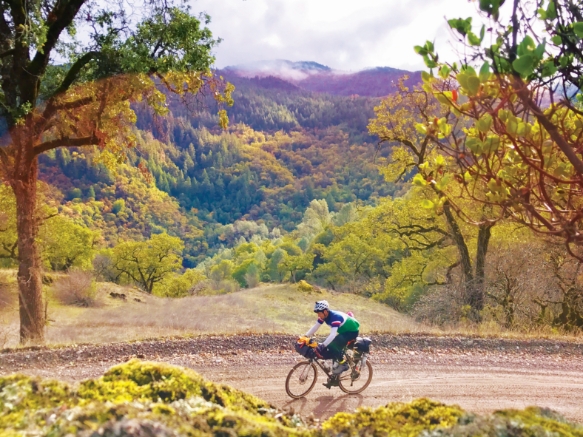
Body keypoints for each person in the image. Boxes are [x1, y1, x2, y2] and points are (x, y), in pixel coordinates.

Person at [305, 300, 360, 388]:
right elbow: (315, 327)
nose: (318, 315)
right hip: (343, 331)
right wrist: (305, 336)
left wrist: (322, 345)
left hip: (352, 331)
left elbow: (332, 335)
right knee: (329, 347)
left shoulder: (335, 317)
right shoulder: (324, 316)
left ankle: (343, 364)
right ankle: (335, 379)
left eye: (319, 313)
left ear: (325, 311)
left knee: (332, 345)